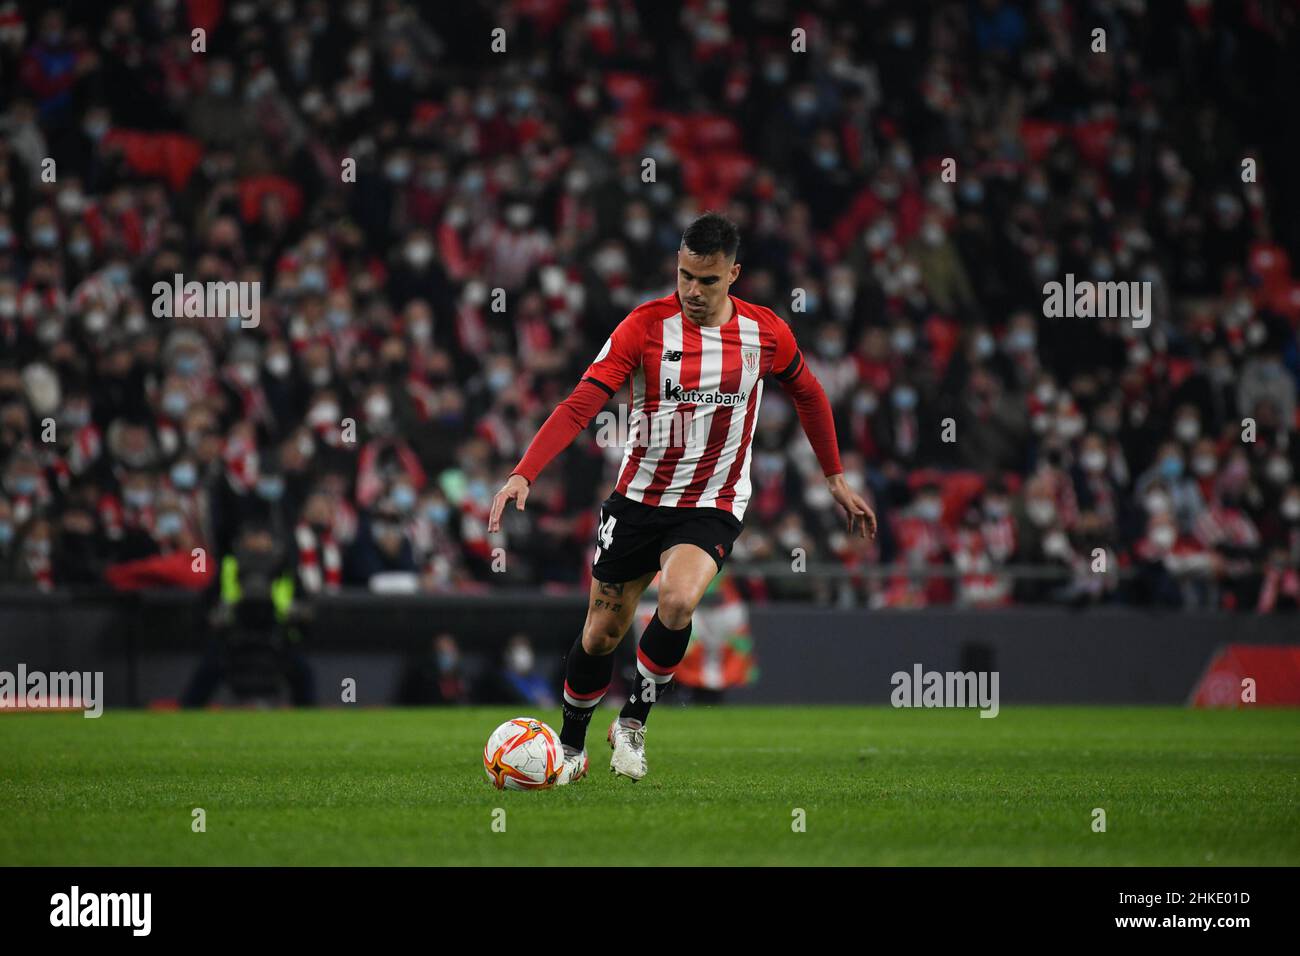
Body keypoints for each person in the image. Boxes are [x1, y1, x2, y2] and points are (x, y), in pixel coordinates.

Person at [488, 212, 876, 783]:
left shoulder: (765, 333)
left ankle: (634, 722)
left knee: (677, 603)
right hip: (639, 499)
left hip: (712, 501)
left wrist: (834, 477)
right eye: (685, 276)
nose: (693, 291)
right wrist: (525, 471)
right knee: (602, 632)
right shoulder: (643, 327)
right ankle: (572, 746)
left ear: (734, 275)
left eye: (708, 280)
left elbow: (810, 394)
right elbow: (582, 402)